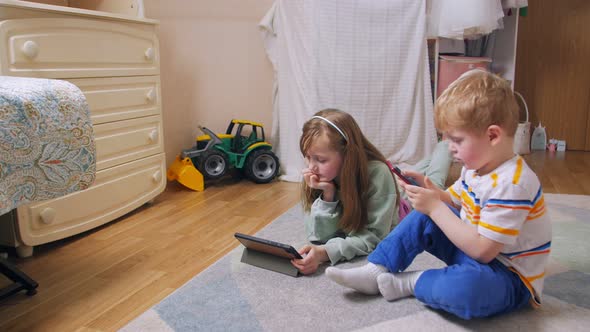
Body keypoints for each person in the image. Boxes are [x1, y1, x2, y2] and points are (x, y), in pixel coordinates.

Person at [324, 69, 552, 320]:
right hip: (472, 253)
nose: (450, 148)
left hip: (509, 277)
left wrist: (435, 207)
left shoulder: (514, 184)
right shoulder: (476, 168)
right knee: (423, 216)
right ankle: (375, 269)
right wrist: (432, 192)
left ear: (493, 135)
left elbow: (483, 250)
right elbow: (453, 200)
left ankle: (409, 282)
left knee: (467, 290)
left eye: (457, 140)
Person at [291, 109, 399, 275]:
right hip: (380, 190)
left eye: (321, 159)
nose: (311, 166)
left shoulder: (378, 174)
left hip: (402, 204)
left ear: (348, 154)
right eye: (307, 156)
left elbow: (374, 238)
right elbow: (318, 237)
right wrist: (328, 196)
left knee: (431, 179)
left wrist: (325, 253)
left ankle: (441, 149)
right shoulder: (321, 176)